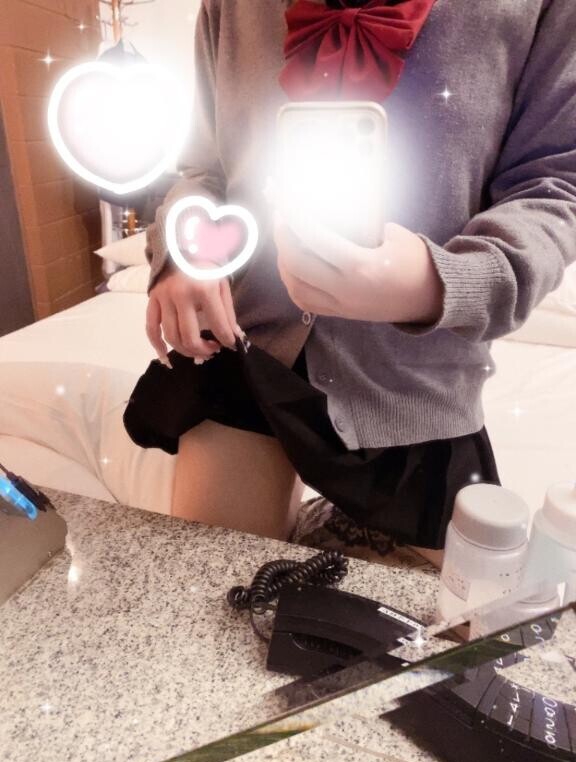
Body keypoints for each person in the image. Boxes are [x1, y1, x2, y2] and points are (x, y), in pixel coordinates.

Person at [124, 0, 576, 560]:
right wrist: (183, 250)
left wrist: (438, 283)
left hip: (419, 377)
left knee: (448, 613)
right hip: (247, 350)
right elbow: (203, 169)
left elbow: (554, 185)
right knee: (203, 589)